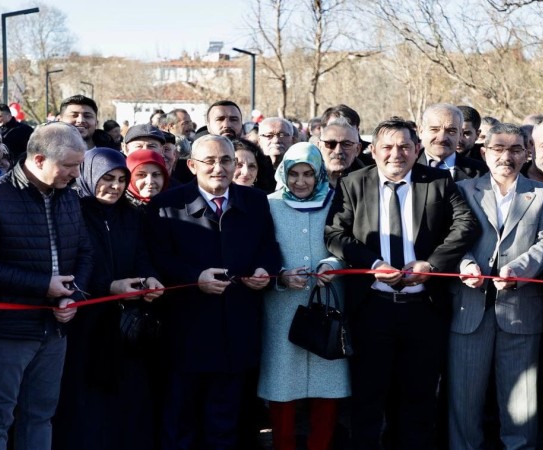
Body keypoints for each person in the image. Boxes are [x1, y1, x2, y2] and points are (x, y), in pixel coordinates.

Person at [325, 117, 479, 450]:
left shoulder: (438, 181)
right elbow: (335, 234)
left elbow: (466, 226)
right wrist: (373, 264)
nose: (397, 154)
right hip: (372, 309)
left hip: (423, 310)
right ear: (373, 151)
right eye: (388, 147)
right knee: (368, 401)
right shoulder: (354, 183)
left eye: (405, 146)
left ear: (417, 149)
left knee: (418, 403)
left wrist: (432, 264)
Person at [0, 121, 92, 450]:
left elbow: (85, 252)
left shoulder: (69, 196)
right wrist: (42, 286)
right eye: (70, 166)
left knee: (40, 416)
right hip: (2, 332)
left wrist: (73, 296)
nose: (76, 175)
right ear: (39, 159)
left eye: (79, 165)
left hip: (53, 332)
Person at [148, 134, 281, 450]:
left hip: (236, 330)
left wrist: (265, 270)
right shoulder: (166, 205)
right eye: (209, 161)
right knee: (180, 421)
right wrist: (195, 277)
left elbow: (269, 247)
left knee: (224, 423)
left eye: (226, 160)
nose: (218, 168)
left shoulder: (255, 201)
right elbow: (157, 258)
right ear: (192, 165)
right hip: (187, 331)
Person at [449, 123, 543, 450]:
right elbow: (451, 238)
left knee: (521, 407)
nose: (505, 156)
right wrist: (466, 264)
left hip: (520, 311)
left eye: (514, 150)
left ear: (527, 154)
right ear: (484, 152)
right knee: (463, 403)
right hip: (468, 309)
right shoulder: (462, 189)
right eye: (498, 148)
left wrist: (519, 269)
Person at [54, 147, 164, 450]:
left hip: (126, 325)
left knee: (128, 399)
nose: (114, 186)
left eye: (120, 179)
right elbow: (69, 266)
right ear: (89, 176)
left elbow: (143, 255)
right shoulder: (71, 211)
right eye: (106, 178)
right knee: (85, 402)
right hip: (84, 325)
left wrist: (150, 278)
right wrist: (108, 287)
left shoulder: (132, 214)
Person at [258, 142, 349, 450]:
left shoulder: (336, 201)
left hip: (328, 302)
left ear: (319, 173)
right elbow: (260, 249)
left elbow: (348, 242)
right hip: (283, 305)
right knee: (283, 386)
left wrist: (332, 263)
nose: (300, 181)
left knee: (328, 385)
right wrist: (280, 273)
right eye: (293, 173)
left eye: (308, 174)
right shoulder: (269, 204)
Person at [416, 103, 488, 181]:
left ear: (460, 134)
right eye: (434, 129)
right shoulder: (407, 167)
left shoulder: (482, 173)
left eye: (451, 131)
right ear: (421, 131)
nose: (442, 138)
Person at [317, 118, 362, 187]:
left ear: (357, 149)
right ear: (319, 146)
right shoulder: (305, 180)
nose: (338, 151)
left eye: (346, 144)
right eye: (330, 144)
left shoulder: (367, 183)